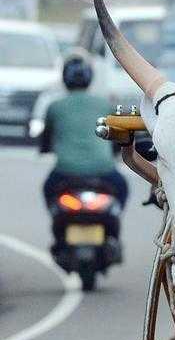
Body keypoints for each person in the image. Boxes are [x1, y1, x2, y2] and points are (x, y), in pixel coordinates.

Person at [40, 51, 128, 231]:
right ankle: (112, 223)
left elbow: (46, 138)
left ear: (64, 78)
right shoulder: (105, 104)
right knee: (123, 187)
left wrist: (44, 148)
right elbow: (117, 138)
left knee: (48, 188)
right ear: (90, 78)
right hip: (104, 170)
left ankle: (59, 223)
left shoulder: (54, 106)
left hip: (65, 171)